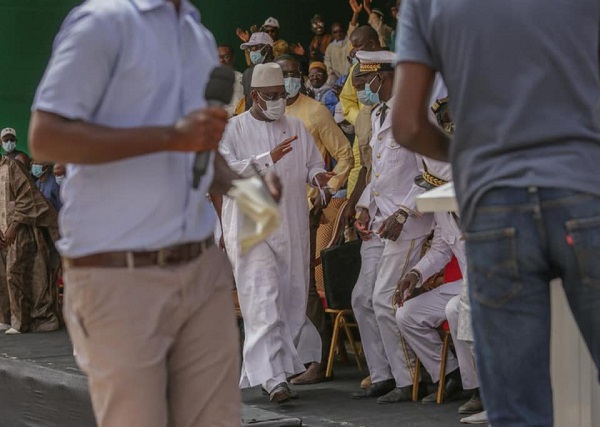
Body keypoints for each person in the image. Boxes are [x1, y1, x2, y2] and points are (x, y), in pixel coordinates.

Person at [28, 0, 254, 425]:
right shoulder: (103, 23)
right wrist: (171, 137)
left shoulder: (197, 36)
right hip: (119, 272)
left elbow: (200, 150)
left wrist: (251, 189)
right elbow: (45, 138)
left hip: (200, 269)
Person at [393, 0, 600, 425]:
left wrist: (470, 160)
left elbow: (408, 125)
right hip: (585, 189)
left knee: (518, 411)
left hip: (494, 207)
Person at [219, 63, 333, 402]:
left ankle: (279, 371)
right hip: (252, 227)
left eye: (282, 95)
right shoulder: (233, 130)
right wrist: (267, 157)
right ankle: (273, 380)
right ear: (255, 96)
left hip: (292, 225)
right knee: (263, 298)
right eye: (271, 97)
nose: (279, 102)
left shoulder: (296, 126)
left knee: (289, 301)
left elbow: (313, 163)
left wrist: (317, 178)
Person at [349, 50, 433, 403]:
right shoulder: (379, 113)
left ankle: (410, 378)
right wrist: (364, 206)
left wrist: (403, 212)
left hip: (408, 224)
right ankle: (382, 373)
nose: (362, 89)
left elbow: (431, 173)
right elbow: (380, 173)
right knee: (361, 299)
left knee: (384, 300)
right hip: (381, 222)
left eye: (364, 81)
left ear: (381, 77)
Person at [274, 54, 354, 385]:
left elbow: (345, 157)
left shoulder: (315, 111)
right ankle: (286, 355)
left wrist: (325, 193)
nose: (288, 80)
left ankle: (315, 361)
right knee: (277, 284)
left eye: (293, 74)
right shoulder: (266, 114)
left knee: (303, 285)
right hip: (270, 210)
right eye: (282, 75)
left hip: (304, 209)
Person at [0, 154, 60, 335]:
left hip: (20, 230)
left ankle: (21, 322)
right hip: (1, 231)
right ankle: (5, 317)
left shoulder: (12, 167)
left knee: (15, 273)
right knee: (2, 276)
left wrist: (14, 226)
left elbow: (28, 198)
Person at [240, 32, 275, 111]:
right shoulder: (248, 73)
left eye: (255, 48)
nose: (252, 52)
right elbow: (248, 104)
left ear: (267, 48)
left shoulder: (280, 70)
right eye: (250, 49)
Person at [217, 44, 244, 117]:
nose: (221, 61)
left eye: (226, 57)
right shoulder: (210, 80)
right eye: (218, 57)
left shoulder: (241, 79)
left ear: (233, 58)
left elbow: (239, 108)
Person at [324, 22, 351, 86]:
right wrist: (331, 73)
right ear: (332, 34)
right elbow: (327, 61)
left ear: (344, 31)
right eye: (335, 32)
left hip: (351, 75)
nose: (338, 34)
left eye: (340, 31)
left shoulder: (350, 42)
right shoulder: (330, 47)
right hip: (336, 77)